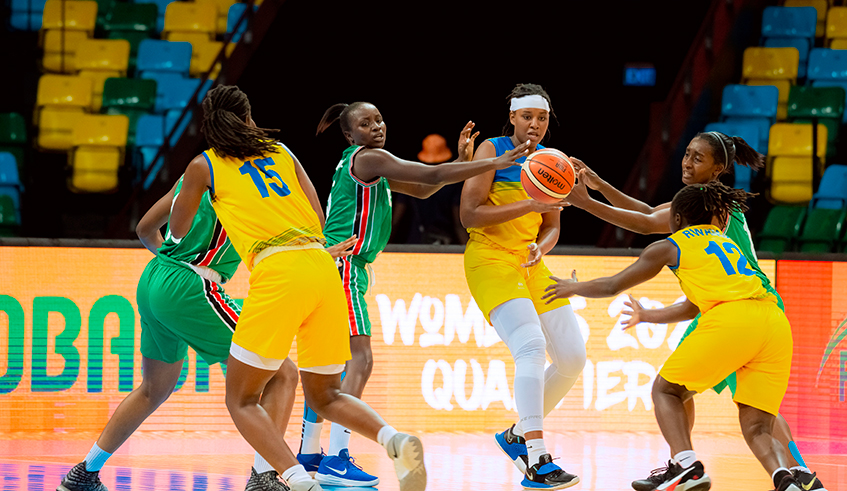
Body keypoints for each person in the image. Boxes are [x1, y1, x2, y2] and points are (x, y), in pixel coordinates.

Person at [168, 85, 435, 491]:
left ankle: (295, 478)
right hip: (323, 266)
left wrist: (208, 200)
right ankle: (392, 440)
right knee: (325, 393)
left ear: (208, 123)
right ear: (249, 116)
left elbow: (177, 231)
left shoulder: (203, 165)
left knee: (240, 399)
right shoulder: (281, 151)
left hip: (278, 270)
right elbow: (316, 213)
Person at [564, 131, 825, 491]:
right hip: (744, 304)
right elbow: (646, 212)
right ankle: (774, 473)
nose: (687, 162)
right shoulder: (704, 202)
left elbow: (644, 223)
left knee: (680, 390)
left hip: (731, 304)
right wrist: (600, 184)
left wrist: (585, 202)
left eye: (697, 158)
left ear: (718, 169)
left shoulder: (713, 208)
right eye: (686, 154)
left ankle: (788, 471)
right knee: (740, 406)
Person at [296, 100, 531, 487]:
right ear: (349, 134)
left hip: (339, 268)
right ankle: (337, 455)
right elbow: (432, 171)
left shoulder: (372, 167)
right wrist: (493, 163)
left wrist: (459, 161)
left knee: (329, 366)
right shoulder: (369, 159)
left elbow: (426, 187)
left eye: (379, 120)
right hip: (342, 266)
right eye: (365, 123)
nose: (376, 127)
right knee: (361, 360)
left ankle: (309, 452)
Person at [57, 175, 301, 491]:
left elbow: (145, 229)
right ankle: (264, 479)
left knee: (153, 389)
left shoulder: (193, 174)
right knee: (283, 374)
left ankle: (84, 474)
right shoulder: (247, 182)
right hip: (192, 286)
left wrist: (173, 266)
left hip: (154, 279)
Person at [460, 83, 586, 490]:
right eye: (527, 116)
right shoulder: (491, 151)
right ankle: (537, 457)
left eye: (543, 117)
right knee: (531, 347)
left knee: (572, 358)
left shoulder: (553, 161)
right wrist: (530, 205)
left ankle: (515, 436)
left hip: (531, 265)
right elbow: (470, 214)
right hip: (490, 259)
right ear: (512, 117)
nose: (535, 124)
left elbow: (552, 227)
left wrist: (540, 246)